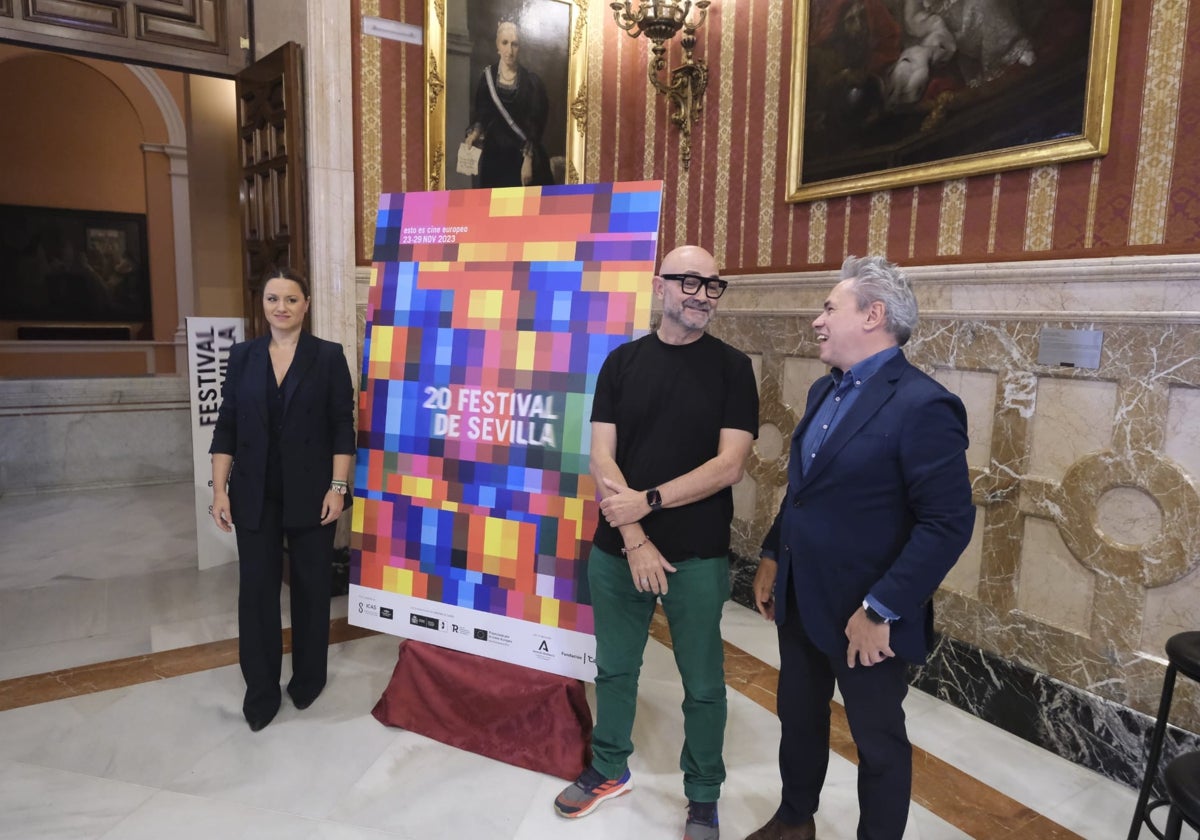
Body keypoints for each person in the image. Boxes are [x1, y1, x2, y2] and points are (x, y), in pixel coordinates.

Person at [744, 256, 975, 840]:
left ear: (873, 315)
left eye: (829, 308)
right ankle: (796, 818)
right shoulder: (825, 390)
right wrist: (772, 553)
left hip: (866, 618)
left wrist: (881, 611)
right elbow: (804, 492)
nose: (817, 321)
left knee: (877, 744)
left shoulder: (925, 405)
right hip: (800, 598)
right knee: (797, 718)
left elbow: (947, 523)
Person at [552, 245, 759, 840]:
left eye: (713, 285)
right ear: (659, 286)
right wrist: (635, 533)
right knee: (615, 670)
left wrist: (649, 502)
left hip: (697, 553)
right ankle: (609, 767)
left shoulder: (733, 368)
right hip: (619, 550)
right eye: (688, 281)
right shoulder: (620, 363)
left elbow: (730, 466)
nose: (700, 293)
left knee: (704, 682)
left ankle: (702, 795)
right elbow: (601, 455)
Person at [209, 267, 356, 732]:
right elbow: (227, 424)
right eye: (273, 299)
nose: (281, 307)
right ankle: (261, 690)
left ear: (306, 304)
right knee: (256, 594)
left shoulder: (328, 357)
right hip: (253, 493)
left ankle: (308, 680)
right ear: (263, 304)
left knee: (312, 590)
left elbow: (341, 427)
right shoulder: (242, 356)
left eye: (291, 299)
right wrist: (219, 490)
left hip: (314, 495)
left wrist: (338, 487)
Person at [464, 20, 554, 188]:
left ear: (520, 48)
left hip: (522, 157)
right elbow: (483, 113)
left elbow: (536, 125)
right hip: (495, 156)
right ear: (497, 45)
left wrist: (528, 160)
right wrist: (474, 134)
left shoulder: (532, 82)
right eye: (505, 43)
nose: (509, 50)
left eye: (515, 44)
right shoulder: (488, 77)